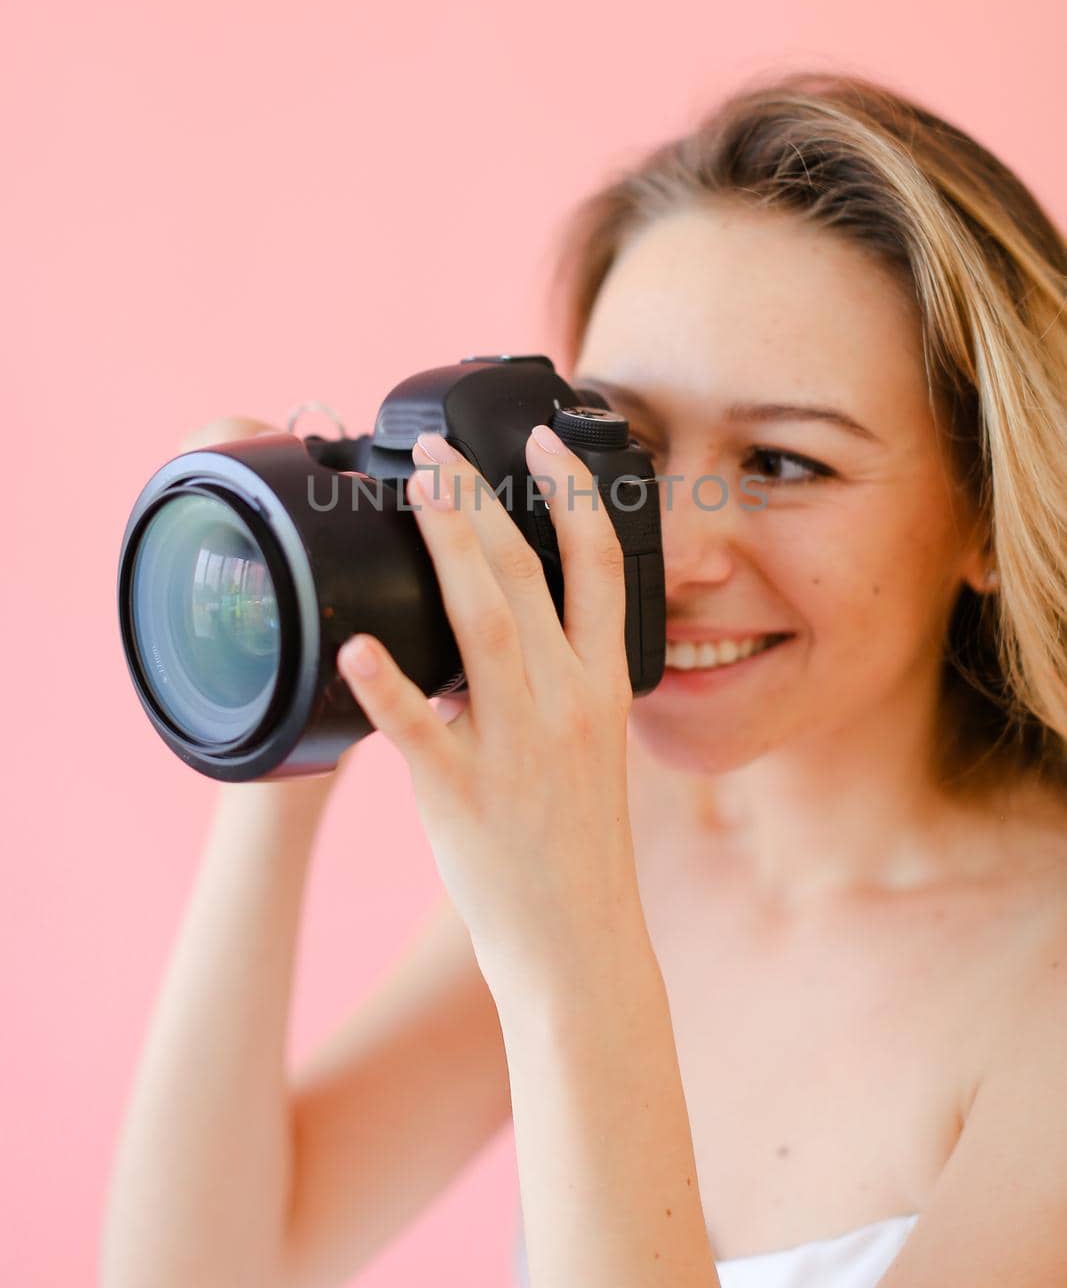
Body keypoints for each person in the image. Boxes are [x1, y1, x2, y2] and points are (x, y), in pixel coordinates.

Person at [101, 73, 1067, 1288]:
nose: (676, 547)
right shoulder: (630, 838)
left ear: (988, 513)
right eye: (623, 447)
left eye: (780, 460)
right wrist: (284, 735)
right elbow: (200, 1270)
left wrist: (571, 947)